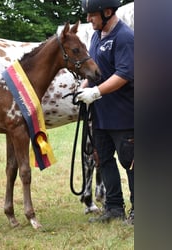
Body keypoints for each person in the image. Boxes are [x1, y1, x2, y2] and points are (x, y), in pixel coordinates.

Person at [77, 0, 134, 225]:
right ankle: (113, 208)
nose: (89, 19)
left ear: (107, 12)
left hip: (124, 115)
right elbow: (95, 71)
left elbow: (124, 74)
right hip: (100, 116)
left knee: (131, 163)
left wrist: (96, 92)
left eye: (92, 15)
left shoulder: (125, 37)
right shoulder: (96, 37)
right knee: (104, 161)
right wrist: (83, 88)